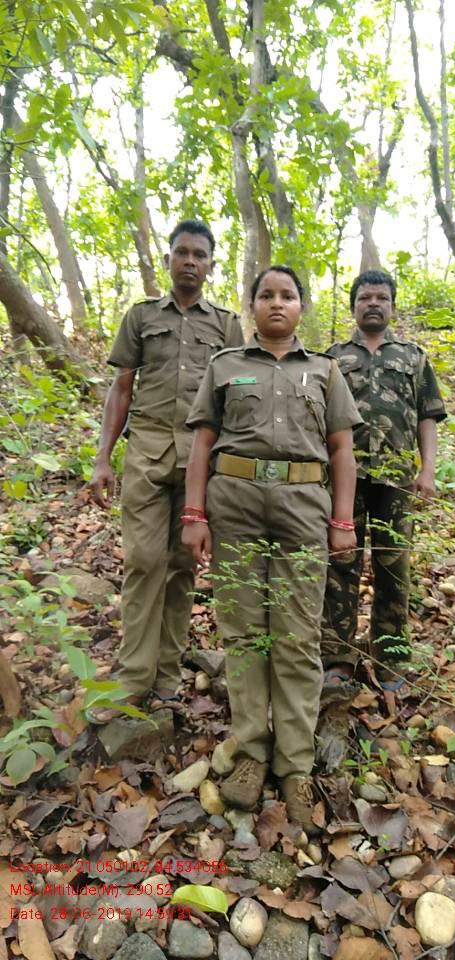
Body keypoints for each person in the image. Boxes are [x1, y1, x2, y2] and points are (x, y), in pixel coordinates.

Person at [181, 265, 359, 831]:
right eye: (266, 295)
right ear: (252, 305)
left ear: (301, 306)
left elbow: (342, 451)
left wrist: (343, 521)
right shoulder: (224, 366)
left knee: (297, 634)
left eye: (287, 295)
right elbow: (202, 444)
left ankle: (296, 764)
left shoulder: (326, 371)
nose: (276, 303)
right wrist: (194, 514)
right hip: (234, 504)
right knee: (243, 631)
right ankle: (252, 751)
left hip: (303, 507)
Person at [88, 219, 244, 721]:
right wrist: (102, 458)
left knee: (181, 567)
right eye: (183, 253)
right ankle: (133, 678)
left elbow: (237, 398)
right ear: (168, 259)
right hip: (148, 453)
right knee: (143, 561)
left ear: (211, 264)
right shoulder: (141, 316)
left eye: (200, 255)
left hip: (202, 460)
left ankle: (167, 679)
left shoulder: (226, 325)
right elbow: (122, 389)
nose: (191, 262)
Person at [321, 269, 447, 692]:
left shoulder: (413, 357)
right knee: (340, 566)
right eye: (365, 297)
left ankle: (390, 658)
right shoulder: (331, 358)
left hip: (396, 481)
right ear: (354, 305)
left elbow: (428, 416)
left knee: (394, 569)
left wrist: (427, 470)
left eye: (381, 297)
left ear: (392, 306)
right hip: (343, 480)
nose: (373, 303)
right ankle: (337, 657)